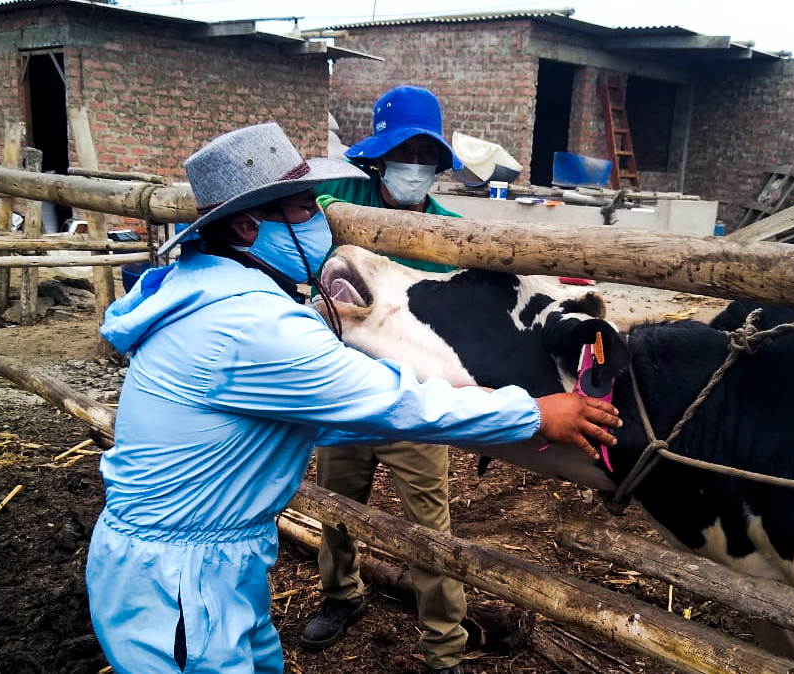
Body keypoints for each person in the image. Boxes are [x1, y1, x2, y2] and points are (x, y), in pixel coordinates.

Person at [85, 121, 621, 674]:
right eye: (304, 209)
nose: (322, 221)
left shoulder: (201, 290)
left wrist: (474, 402)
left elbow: (327, 416)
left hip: (209, 561)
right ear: (248, 227)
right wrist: (531, 413)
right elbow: (393, 402)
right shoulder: (255, 327)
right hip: (178, 581)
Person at [301, 86, 474, 674]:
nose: (415, 166)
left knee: (431, 527)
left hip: (415, 397)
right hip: (345, 387)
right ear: (379, 157)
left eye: (426, 155)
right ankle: (341, 595)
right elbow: (306, 206)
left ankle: (444, 643)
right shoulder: (342, 203)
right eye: (405, 152)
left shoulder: (452, 234)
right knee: (336, 505)